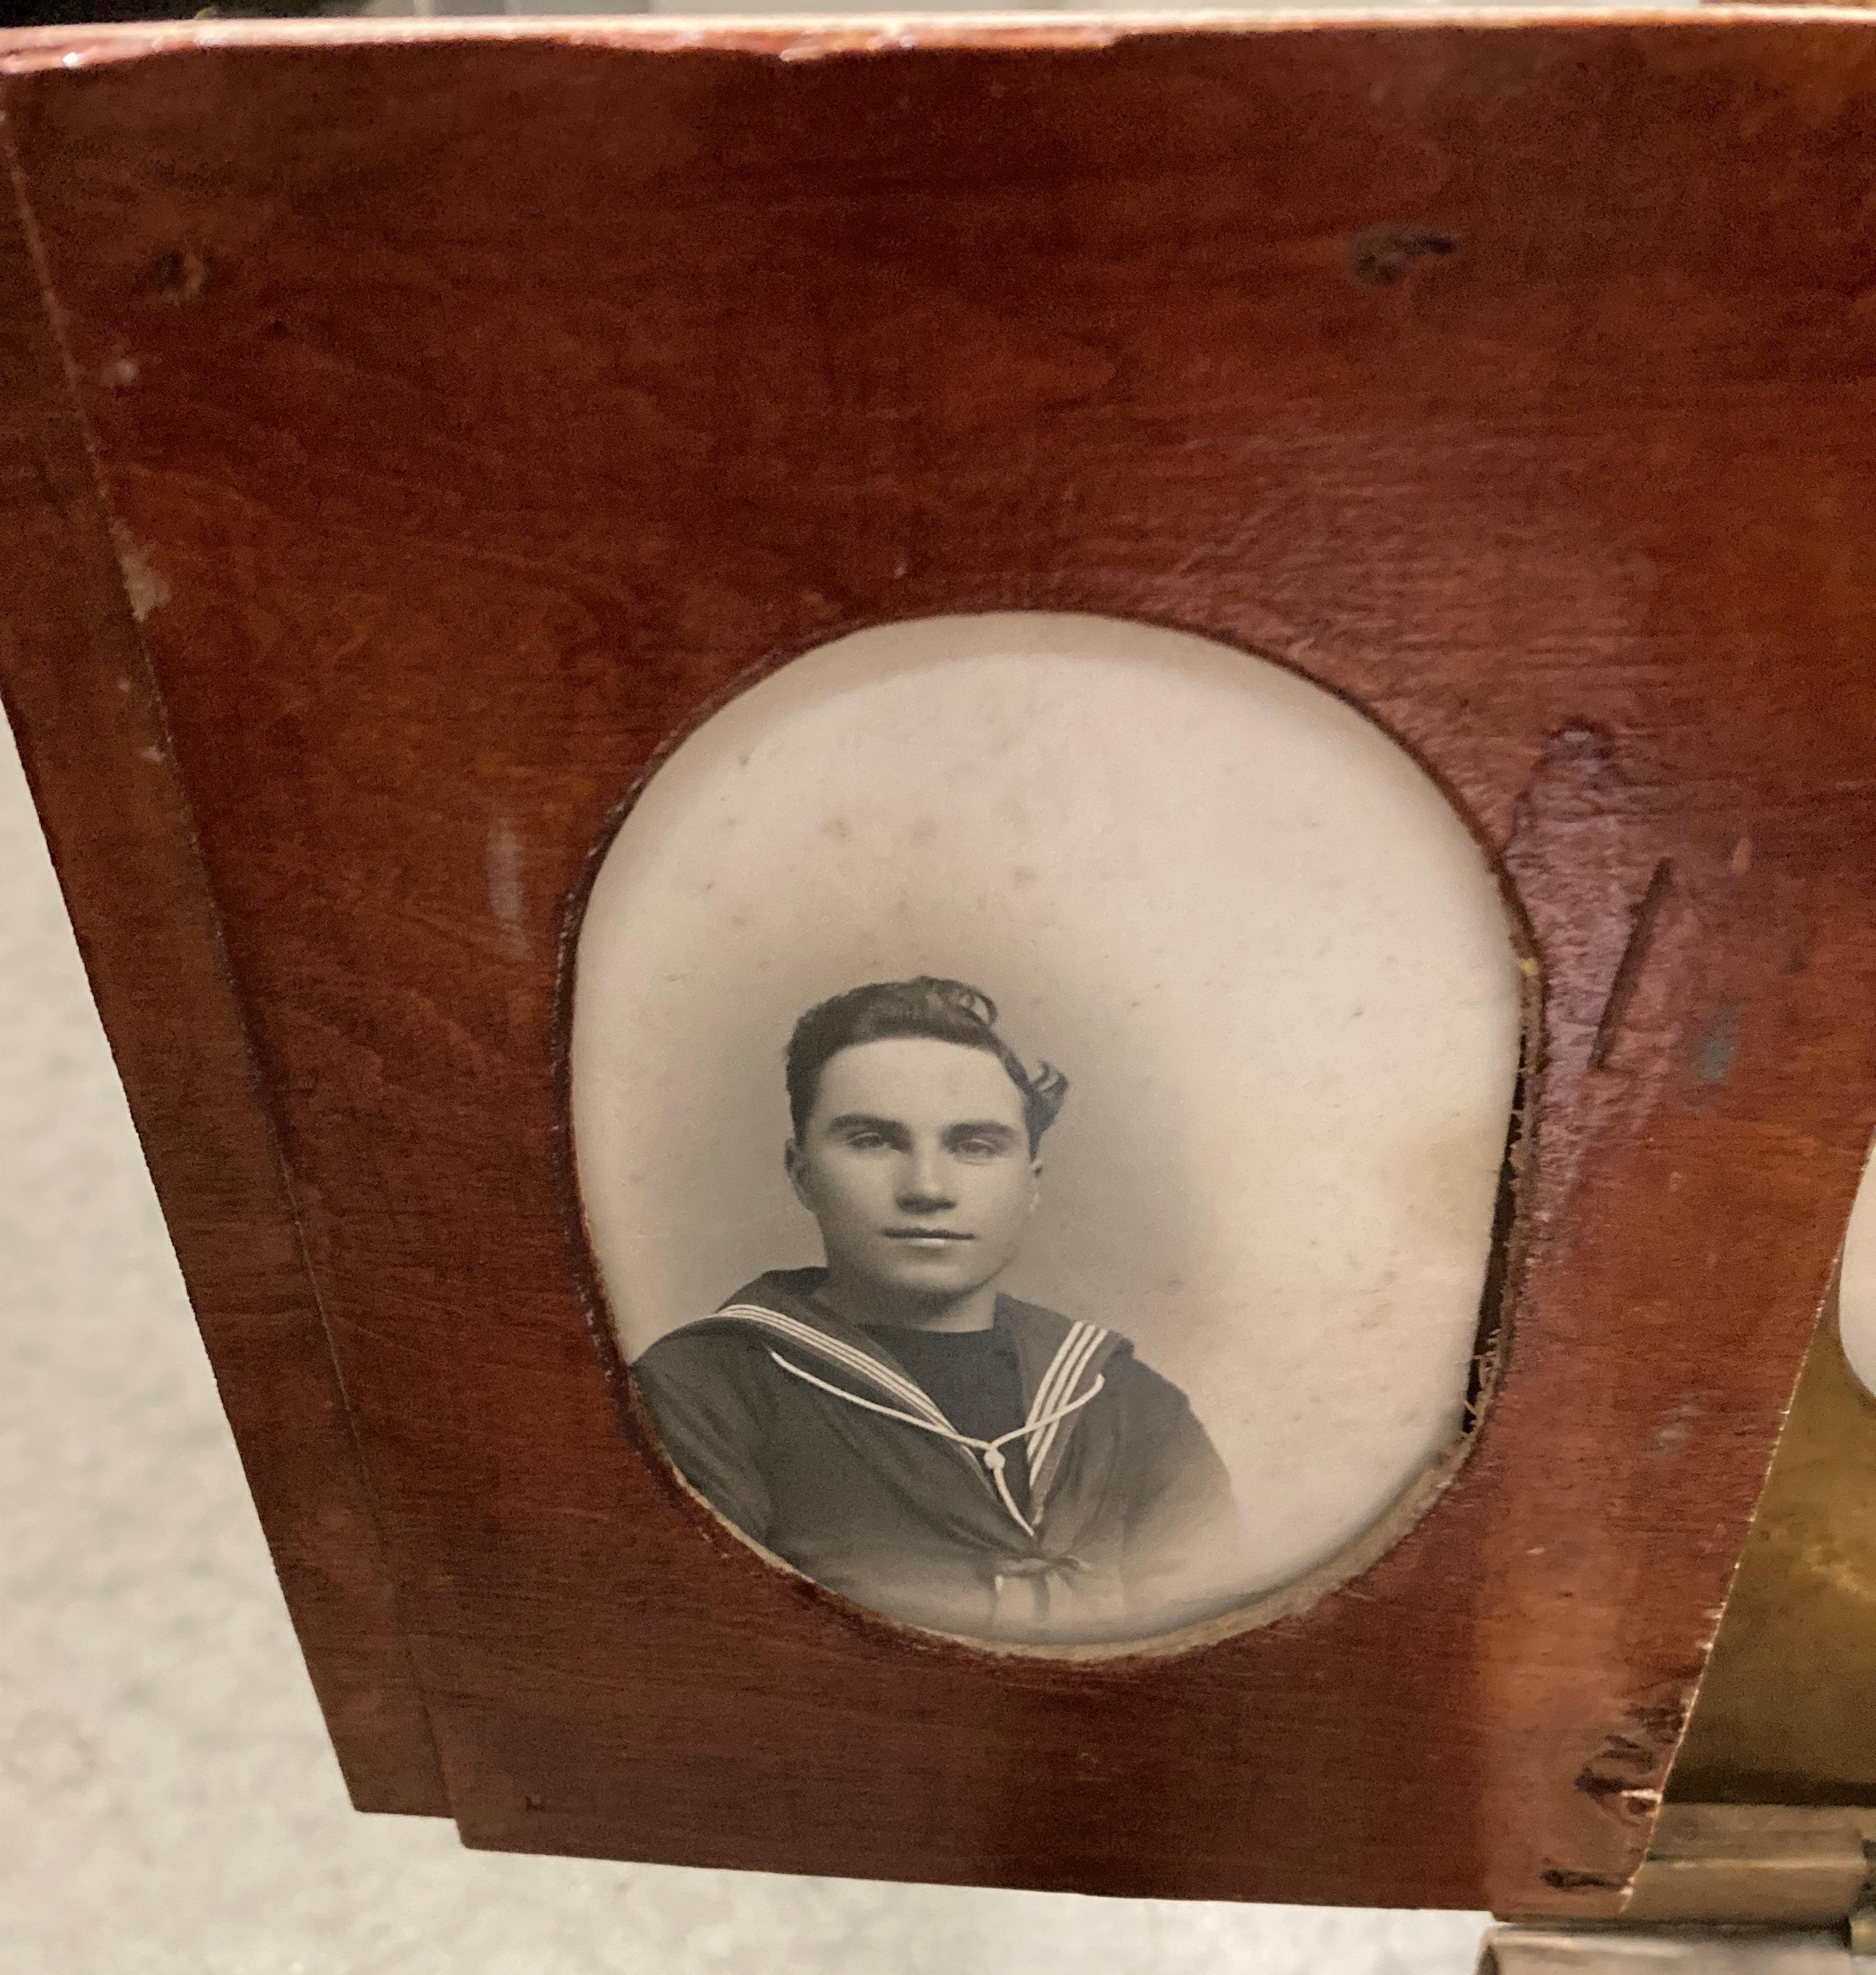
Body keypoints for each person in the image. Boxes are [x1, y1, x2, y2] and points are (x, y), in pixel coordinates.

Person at [632, 977, 1245, 1645]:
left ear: (1029, 1184)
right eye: (872, 1140)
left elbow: (1216, 1675)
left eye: (975, 1146)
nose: (927, 1189)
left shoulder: (1128, 1403)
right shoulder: (702, 1393)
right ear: (802, 1172)